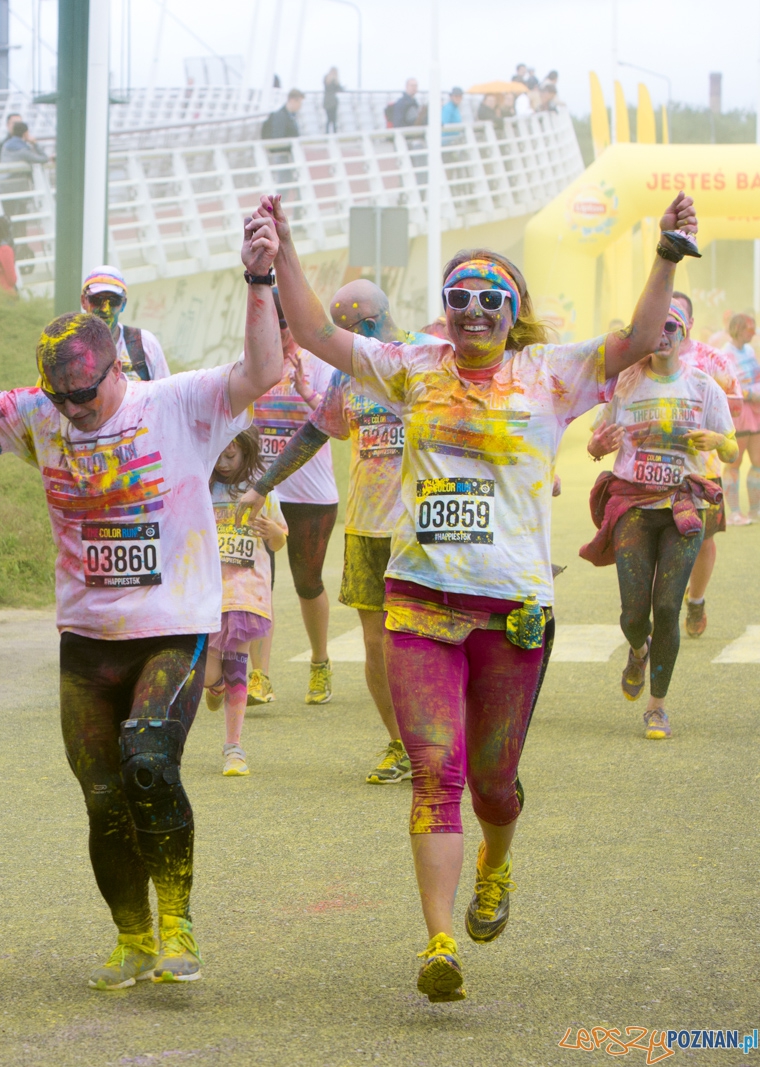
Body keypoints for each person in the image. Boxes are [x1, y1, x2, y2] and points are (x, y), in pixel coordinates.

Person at [264, 187, 697, 1003]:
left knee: (497, 781)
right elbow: (320, 333)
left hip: (514, 608)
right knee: (438, 770)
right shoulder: (412, 368)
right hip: (422, 597)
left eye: (488, 299)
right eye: (457, 298)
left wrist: (668, 252)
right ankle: (436, 941)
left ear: (513, 312)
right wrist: (283, 248)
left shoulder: (552, 373)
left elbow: (640, 336)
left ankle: (496, 867)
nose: (470, 311)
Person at [0, 214, 284, 988]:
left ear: (117, 368)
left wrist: (258, 280)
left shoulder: (177, 402)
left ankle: (178, 921)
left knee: (148, 759)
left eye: (85, 396)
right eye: (63, 400)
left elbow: (263, 370)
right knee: (103, 795)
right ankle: (131, 936)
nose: (75, 412)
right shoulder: (41, 414)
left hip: (171, 631)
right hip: (85, 639)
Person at [242, 280, 412, 783]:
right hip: (366, 529)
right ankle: (399, 745)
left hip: (420, 530)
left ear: (370, 326)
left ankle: (443, 739)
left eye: (346, 332)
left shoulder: (426, 363)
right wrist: (261, 485)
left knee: (424, 639)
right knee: (375, 643)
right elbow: (315, 431)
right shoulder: (348, 378)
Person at [581, 301, 735, 741]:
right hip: (633, 505)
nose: (662, 335)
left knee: (667, 605)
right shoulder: (624, 383)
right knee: (634, 613)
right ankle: (638, 648)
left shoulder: (704, 388)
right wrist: (598, 443)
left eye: (671, 327)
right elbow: (596, 444)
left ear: (684, 334)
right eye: (654, 328)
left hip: (684, 507)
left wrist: (717, 440)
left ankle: (657, 706)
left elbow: (730, 451)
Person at [252, 288, 339, 705]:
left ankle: (320, 661)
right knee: (256, 581)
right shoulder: (257, 361)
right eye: (271, 322)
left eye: (284, 323)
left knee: (307, 582)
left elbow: (336, 420)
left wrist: (305, 389)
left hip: (311, 491)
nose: (278, 331)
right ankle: (258, 678)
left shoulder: (320, 363)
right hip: (262, 490)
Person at [205, 426, 287, 777]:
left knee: (238, 665)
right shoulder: (201, 486)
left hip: (244, 592)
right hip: (207, 591)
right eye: (218, 454)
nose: (224, 462)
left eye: (231, 455)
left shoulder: (263, 490)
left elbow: (281, 539)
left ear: (246, 451)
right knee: (206, 672)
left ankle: (234, 748)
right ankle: (215, 683)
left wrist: (274, 535)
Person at [672, 292, 743, 637]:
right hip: (656, 470)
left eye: (678, 316)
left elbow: (738, 409)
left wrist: (711, 428)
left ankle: (696, 600)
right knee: (653, 538)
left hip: (705, 468)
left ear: (691, 321)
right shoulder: (642, 357)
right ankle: (661, 605)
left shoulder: (711, 359)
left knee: (702, 539)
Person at [81, 265, 170, 381]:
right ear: (83, 301)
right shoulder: (68, 349)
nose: (105, 309)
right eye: (97, 300)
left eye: (113, 301)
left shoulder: (145, 344)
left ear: (123, 304)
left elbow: (165, 394)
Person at [722, 312, 760, 523]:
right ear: (737, 328)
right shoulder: (725, 354)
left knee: (758, 462)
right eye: (749, 327)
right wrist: (751, 393)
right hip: (740, 413)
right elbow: (730, 384)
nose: (753, 332)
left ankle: (755, 509)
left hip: (756, 411)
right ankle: (734, 512)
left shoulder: (749, 350)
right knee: (734, 463)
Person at [322, 68, 342, 133]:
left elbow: (339, 89)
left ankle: (332, 132)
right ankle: (329, 133)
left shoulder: (333, 80)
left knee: (333, 120)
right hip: (329, 102)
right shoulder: (328, 79)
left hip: (332, 102)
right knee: (330, 119)